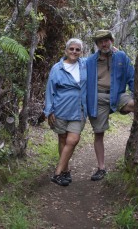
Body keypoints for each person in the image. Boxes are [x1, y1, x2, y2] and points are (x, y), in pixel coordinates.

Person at [87, 29, 135, 181]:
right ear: (97, 44)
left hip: (118, 94)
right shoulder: (90, 61)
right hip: (98, 97)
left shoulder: (121, 56)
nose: (104, 43)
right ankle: (101, 168)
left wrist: (135, 93)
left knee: (135, 105)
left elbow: (132, 77)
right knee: (99, 133)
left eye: (106, 40)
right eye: (100, 41)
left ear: (111, 41)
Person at [44, 38, 87, 186]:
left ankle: (57, 173)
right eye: (72, 49)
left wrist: (113, 51)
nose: (74, 52)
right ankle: (65, 171)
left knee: (73, 140)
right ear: (66, 50)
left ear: (81, 52)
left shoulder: (85, 65)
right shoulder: (57, 68)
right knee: (62, 139)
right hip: (60, 109)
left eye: (77, 49)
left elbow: (98, 60)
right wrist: (49, 110)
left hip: (78, 109)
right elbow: (50, 90)